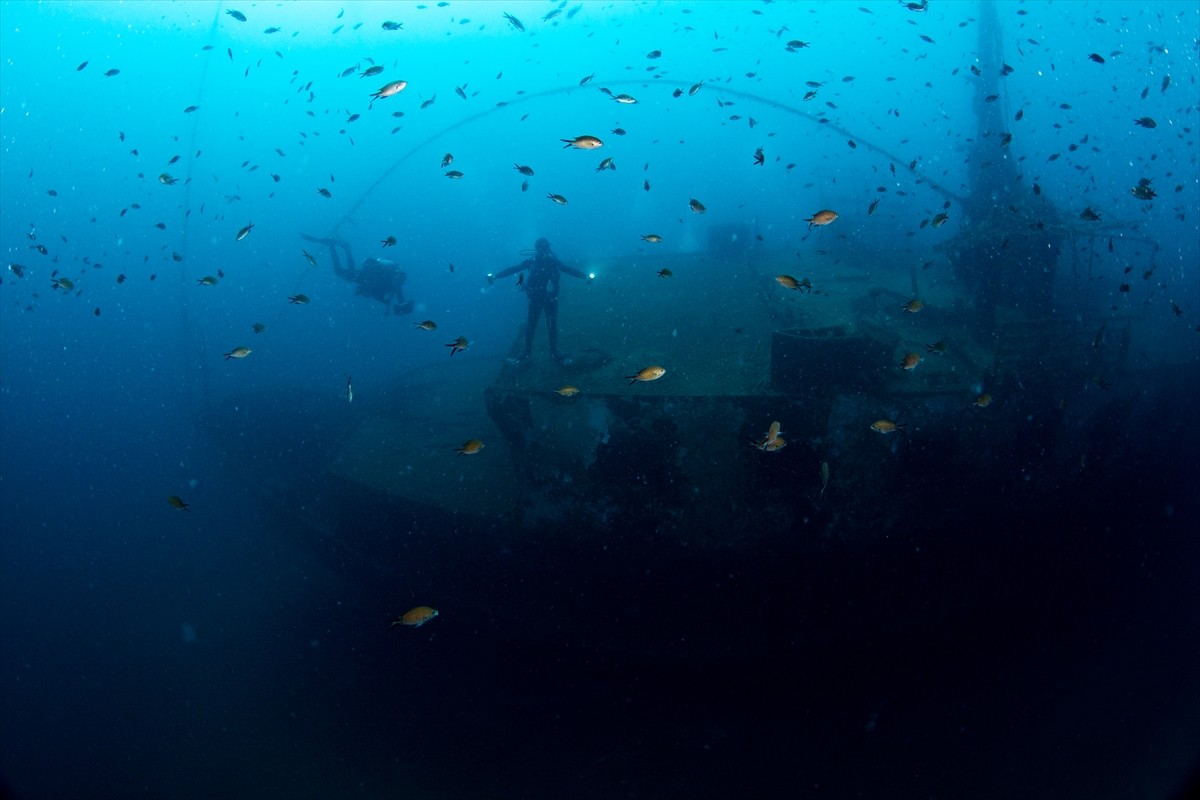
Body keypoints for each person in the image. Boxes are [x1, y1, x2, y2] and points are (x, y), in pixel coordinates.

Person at [489, 238, 588, 365]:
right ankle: (550, 352)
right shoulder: (546, 262)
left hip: (540, 299)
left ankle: (530, 352)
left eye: (544, 248)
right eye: (543, 248)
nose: (543, 251)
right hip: (547, 299)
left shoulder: (537, 262)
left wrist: (496, 276)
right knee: (547, 326)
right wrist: (585, 277)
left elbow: (514, 269)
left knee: (535, 326)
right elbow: (569, 270)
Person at [300, 234, 414, 315]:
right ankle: (332, 246)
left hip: (362, 278)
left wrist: (399, 305)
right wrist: (367, 290)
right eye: (397, 279)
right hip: (363, 276)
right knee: (339, 271)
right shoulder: (387, 275)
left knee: (351, 270)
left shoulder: (396, 287)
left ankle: (346, 248)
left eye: (399, 282)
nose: (397, 282)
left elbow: (400, 300)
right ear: (396, 276)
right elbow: (375, 289)